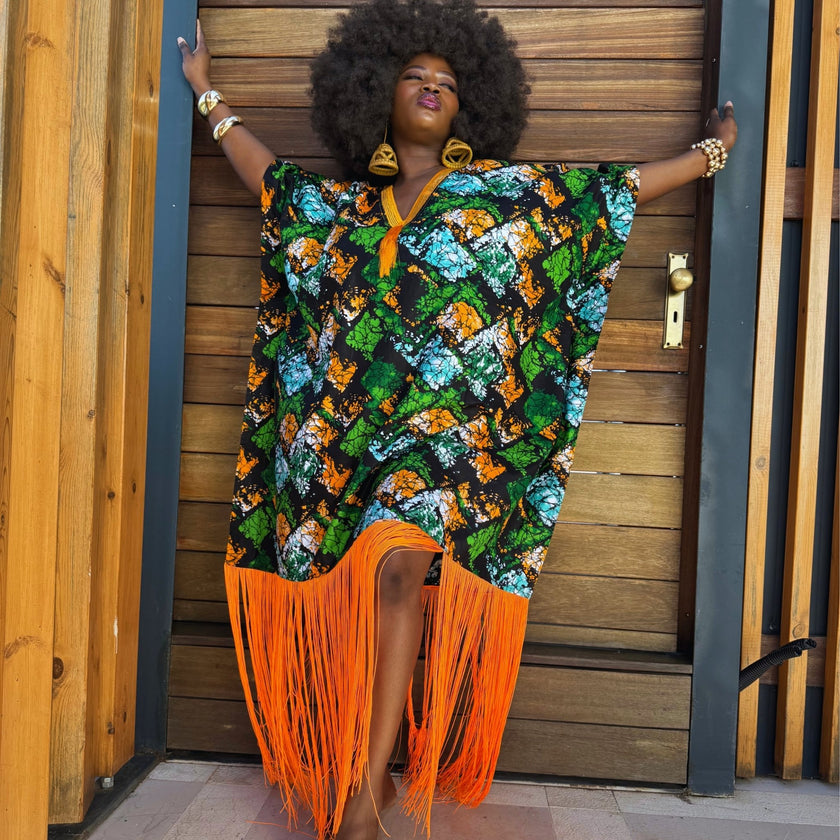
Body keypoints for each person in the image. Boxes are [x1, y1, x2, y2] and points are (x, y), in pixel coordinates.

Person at [178, 2, 737, 838]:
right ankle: (382, 765)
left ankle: (364, 796)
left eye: (447, 80)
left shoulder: (502, 195)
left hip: (443, 448)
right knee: (372, 583)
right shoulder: (338, 208)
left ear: (472, 102)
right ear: (374, 92)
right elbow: (266, 179)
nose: (432, 86)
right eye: (415, 75)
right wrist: (206, 96)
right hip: (349, 442)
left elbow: (609, 194)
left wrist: (711, 153)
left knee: (401, 570)